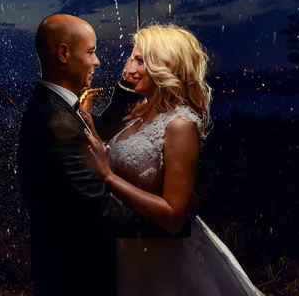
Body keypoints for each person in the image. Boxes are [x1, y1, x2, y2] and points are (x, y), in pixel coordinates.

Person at [16, 14, 193, 296]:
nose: (98, 61)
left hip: (73, 266)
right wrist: (172, 224)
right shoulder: (57, 122)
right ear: (64, 54)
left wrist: (127, 90)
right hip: (77, 273)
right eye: (91, 52)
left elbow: (102, 131)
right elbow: (100, 210)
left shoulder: (55, 109)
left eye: (140, 60)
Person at [82, 23, 265, 295]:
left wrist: (107, 177)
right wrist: (96, 136)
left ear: (164, 66)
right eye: (131, 57)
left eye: (141, 60)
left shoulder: (180, 125)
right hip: (133, 245)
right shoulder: (138, 113)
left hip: (167, 257)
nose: (128, 69)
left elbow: (173, 217)